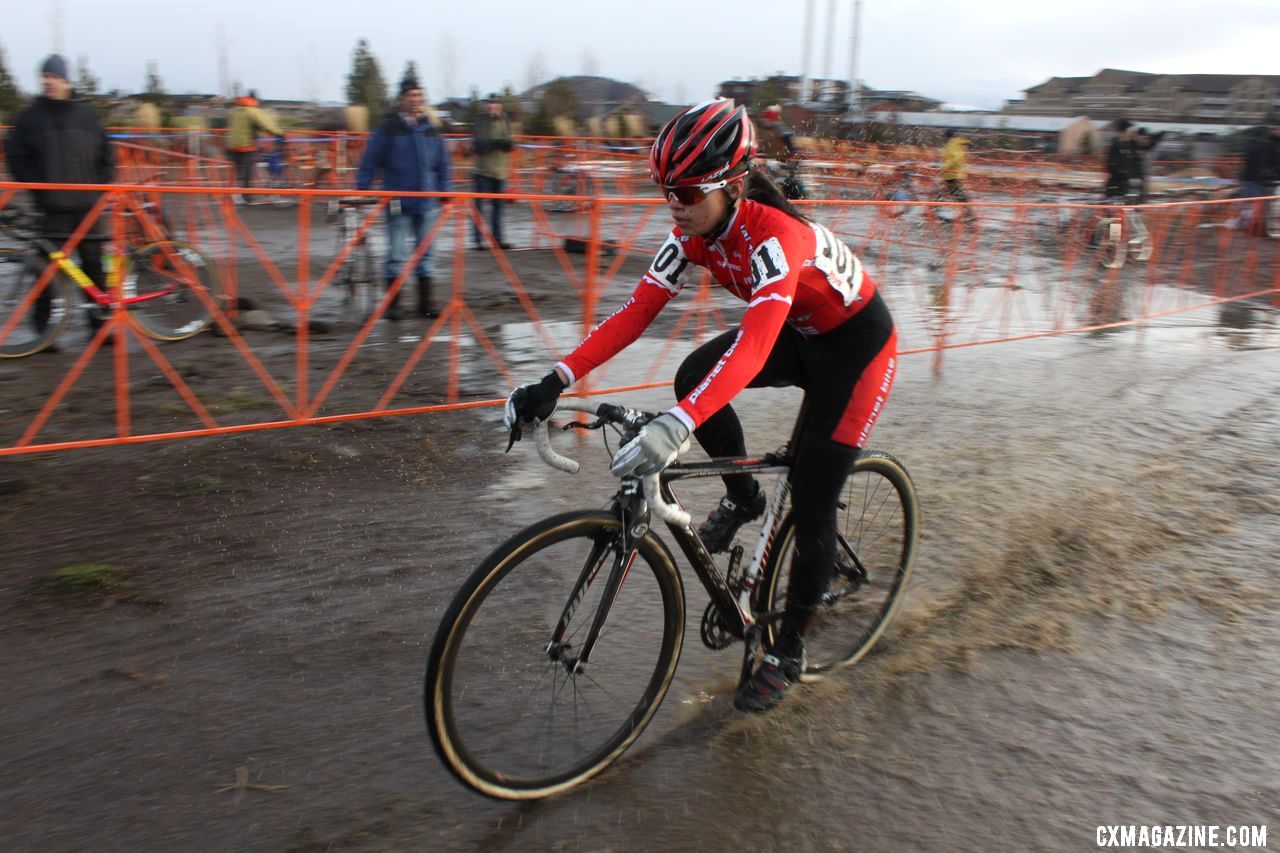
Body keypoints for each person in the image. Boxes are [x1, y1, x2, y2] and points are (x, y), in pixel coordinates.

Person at [503, 99, 898, 714]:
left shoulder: (777, 238)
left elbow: (754, 347)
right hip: (802, 332)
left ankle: (787, 650)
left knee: (816, 500)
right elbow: (636, 311)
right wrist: (556, 378)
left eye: (688, 190)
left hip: (856, 347)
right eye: (666, 191)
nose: (676, 204)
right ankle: (746, 498)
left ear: (733, 184)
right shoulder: (691, 231)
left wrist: (679, 424)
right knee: (692, 373)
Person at [4, 54, 114, 338]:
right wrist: (39, 186)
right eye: (44, 77)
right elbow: (16, 157)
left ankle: (100, 328)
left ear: (65, 80)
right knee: (45, 275)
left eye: (52, 76)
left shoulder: (87, 115)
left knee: (93, 270)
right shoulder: (29, 118)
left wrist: (101, 187)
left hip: (88, 208)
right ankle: (43, 334)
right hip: (52, 209)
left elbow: (107, 155)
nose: (46, 81)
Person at [357, 72, 451, 320]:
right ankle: (393, 305)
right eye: (411, 95)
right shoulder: (388, 128)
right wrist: (361, 188)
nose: (416, 100)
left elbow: (442, 163)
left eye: (419, 95)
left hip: (428, 201)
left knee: (427, 253)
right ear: (402, 98)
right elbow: (370, 159)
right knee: (396, 254)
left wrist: (445, 191)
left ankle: (425, 303)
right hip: (398, 200)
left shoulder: (430, 129)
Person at [470, 94, 514, 250]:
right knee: (479, 207)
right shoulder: (480, 121)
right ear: (487, 105)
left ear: (500, 105)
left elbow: (509, 144)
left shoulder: (505, 121)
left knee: (499, 208)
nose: (493, 106)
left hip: (500, 171)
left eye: (495, 103)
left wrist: (499, 143)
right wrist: (497, 143)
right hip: (482, 170)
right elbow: (479, 145)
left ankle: (498, 239)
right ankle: (478, 240)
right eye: (490, 103)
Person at [225, 89, 284, 203]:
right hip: (246, 145)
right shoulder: (253, 111)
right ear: (255, 99)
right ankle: (246, 196)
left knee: (238, 171)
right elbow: (266, 124)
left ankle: (234, 195)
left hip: (231, 145)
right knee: (248, 172)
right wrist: (280, 133)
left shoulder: (234, 110)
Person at [939, 129, 976, 223]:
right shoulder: (953, 144)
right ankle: (967, 214)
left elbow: (956, 158)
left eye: (943, 136)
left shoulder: (952, 144)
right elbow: (952, 158)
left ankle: (968, 214)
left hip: (953, 174)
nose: (942, 138)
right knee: (956, 193)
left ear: (947, 136)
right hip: (952, 173)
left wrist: (944, 167)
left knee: (957, 194)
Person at [1105, 119, 1139, 199]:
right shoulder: (1115, 145)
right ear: (1122, 131)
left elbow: (1135, 163)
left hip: (1129, 185)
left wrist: (1134, 176)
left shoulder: (1133, 145)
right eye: (1129, 130)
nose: (1131, 132)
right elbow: (1111, 166)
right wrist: (1125, 175)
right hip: (1116, 185)